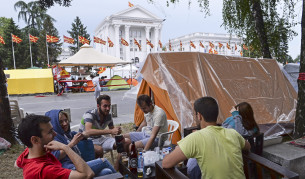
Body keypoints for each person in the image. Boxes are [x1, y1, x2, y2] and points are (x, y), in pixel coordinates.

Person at [162, 97, 250, 179]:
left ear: (199, 115)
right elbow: (248, 146)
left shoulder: (195, 138)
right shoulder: (233, 133)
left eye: (195, 114)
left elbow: (166, 163)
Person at [15, 114, 94, 179]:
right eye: (50, 132)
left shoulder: (28, 152)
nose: (55, 134)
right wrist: (65, 147)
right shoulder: (45, 170)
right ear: (35, 140)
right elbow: (88, 174)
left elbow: (16, 164)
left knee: (106, 172)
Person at [45, 109, 116, 177]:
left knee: (107, 172)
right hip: (70, 171)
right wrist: (72, 143)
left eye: (66, 120)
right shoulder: (53, 138)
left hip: (78, 165)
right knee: (103, 161)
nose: (65, 123)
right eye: (61, 122)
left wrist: (83, 135)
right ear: (54, 123)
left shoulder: (67, 134)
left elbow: (80, 134)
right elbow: (56, 156)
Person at [79, 94, 129, 169]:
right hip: (86, 140)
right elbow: (88, 131)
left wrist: (117, 132)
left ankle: (117, 168)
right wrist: (111, 131)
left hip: (100, 139)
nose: (108, 108)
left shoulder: (108, 116)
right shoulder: (89, 114)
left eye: (109, 106)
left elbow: (112, 132)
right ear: (98, 106)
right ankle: (98, 171)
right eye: (105, 106)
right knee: (99, 150)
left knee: (126, 141)